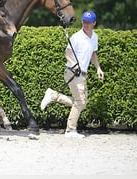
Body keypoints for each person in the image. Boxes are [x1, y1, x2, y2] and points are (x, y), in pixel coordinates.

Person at [40, 10, 104, 138]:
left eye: (89, 23)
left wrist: (98, 68)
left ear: (94, 23)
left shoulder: (94, 37)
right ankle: (70, 130)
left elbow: (93, 53)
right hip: (72, 73)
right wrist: (75, 65)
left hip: (82, 74)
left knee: (81, 102)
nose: (86, 25)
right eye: (84, 22)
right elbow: (67, 54)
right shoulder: (76, 37)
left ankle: (54, 96)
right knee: (80, 102)